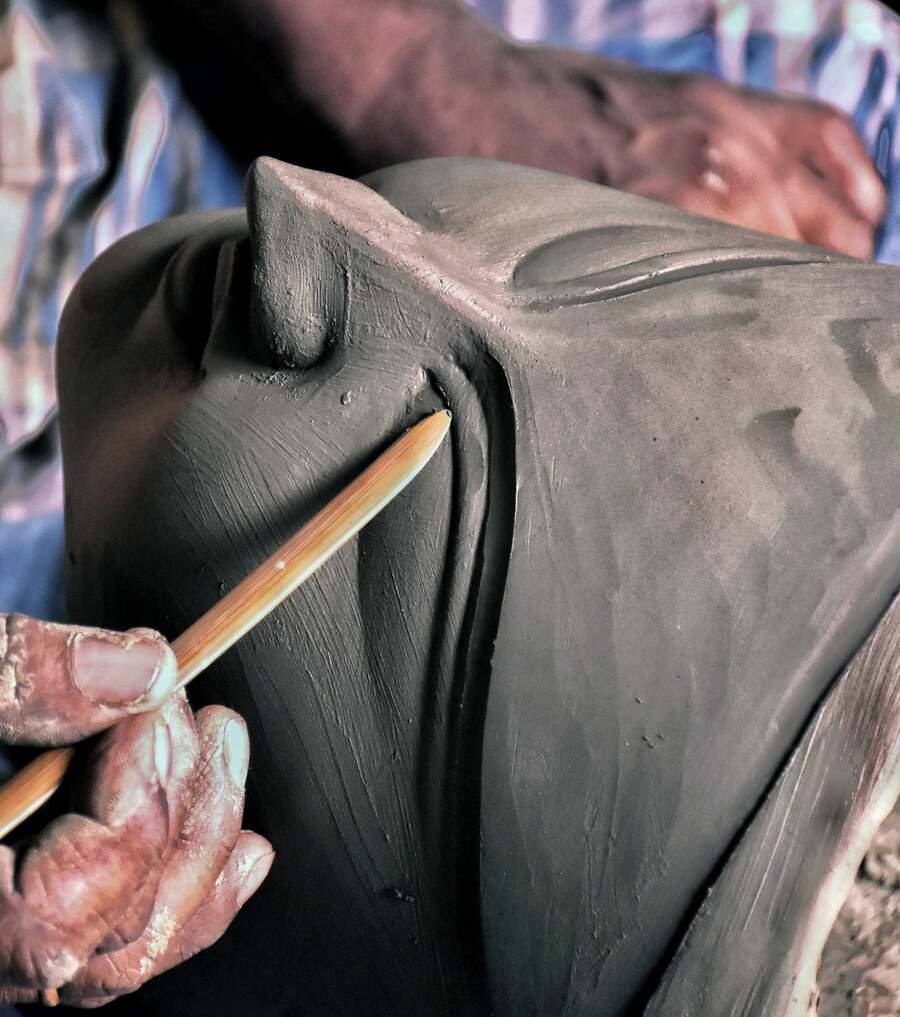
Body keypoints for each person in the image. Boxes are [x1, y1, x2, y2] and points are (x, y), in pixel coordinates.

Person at [0, 0, 895, 1007]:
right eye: (621, 266)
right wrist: (413, 63)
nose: (303, 208)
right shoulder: (824, 124)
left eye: (443, 598)